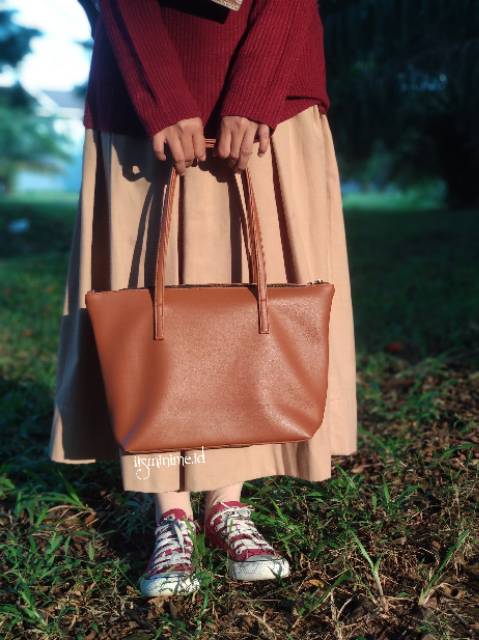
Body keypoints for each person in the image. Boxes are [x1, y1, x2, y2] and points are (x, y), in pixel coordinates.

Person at [48, 0, 357, 597]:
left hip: (271, 93)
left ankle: (227, 500)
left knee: (247, 299)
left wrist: (257, 90)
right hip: (148, 95)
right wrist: (160, 96)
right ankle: (171, 509)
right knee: (151, 305)